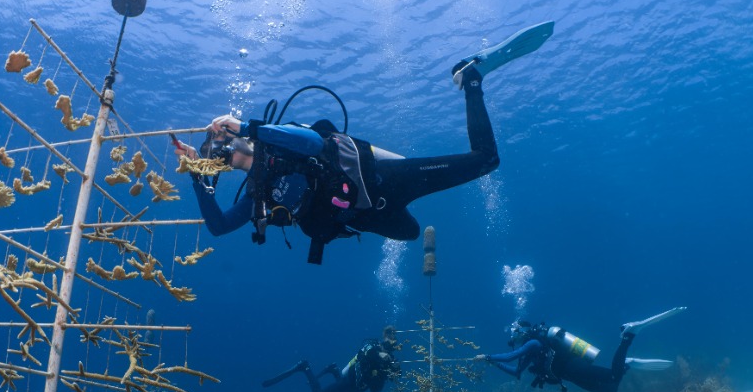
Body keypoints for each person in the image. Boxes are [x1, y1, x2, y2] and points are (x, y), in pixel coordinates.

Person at [175, 22, 554, 264]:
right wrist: (195, 176)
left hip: (384, 180)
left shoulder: (277, 143)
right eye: (218, 156)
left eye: (224, 145)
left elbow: (310, 141)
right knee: (409, 233)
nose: (225, 153)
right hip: (367, 212)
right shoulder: (255, 194)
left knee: (486, 161)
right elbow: (220, 226)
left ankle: (471, 77)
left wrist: (249, 126)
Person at [474, 307, 687, 392]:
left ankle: (628, 335)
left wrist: (488, 357)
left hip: (572, 367)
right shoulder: (530, 354)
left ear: (522, 331)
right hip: (570, 376)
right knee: (610, 391)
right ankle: (626, 363)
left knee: (613, 376)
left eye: (516, 333)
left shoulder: (533, 344)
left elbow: (511, 356)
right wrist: (493, 363)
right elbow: (516, 372)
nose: (514, 337)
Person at [262, 326, 401, 392]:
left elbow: (395, 376)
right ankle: (305, 367)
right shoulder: (373, 347)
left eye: (392, 346)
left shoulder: (390, 359)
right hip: (350, 381)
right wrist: (379, 355)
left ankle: (334, 370)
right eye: (389, 341)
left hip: (358, 388)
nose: (390, 347)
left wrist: (394, 368)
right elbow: (366, 354)